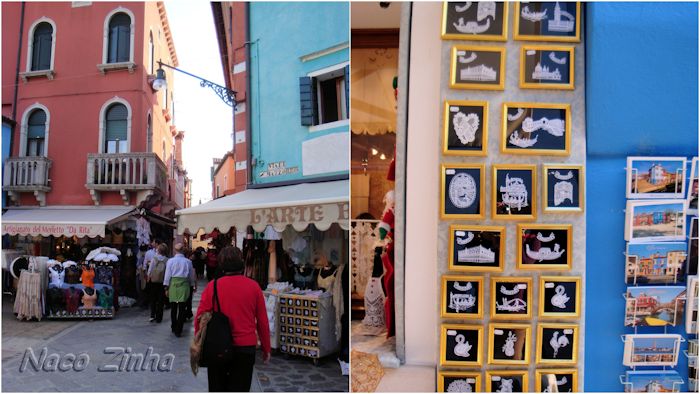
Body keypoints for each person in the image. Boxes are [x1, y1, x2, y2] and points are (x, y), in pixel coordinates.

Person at [195, 246, 271, 392]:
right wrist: (266, 348)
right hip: (245, 347)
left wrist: (199, 342)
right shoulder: (254, 287)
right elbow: (262, 321)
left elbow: (200, 318)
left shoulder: (213, 286)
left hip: (218, 345)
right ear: (241, 262)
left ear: (221, 264)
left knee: (218, 387)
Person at [164, 243, 196, 337]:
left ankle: (174, 326)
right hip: (184, 285)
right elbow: (191, 276)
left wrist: (166, 287)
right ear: (183, 250)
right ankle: (179, 329)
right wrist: (192, 285)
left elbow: (167, 275)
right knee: (182, 308)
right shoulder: (188, 262)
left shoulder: (170, 261)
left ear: (175, 250)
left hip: (173, 285)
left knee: (173, 307)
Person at [147, 243, 169, 323]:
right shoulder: (167, 260)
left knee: (153, 298)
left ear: (158, 250)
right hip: (162, 281)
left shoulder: (154, 258)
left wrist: (148, 276)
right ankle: (159, 317)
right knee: (161, 299)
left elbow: (150, 269)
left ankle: (152, 315)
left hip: (154, 280)